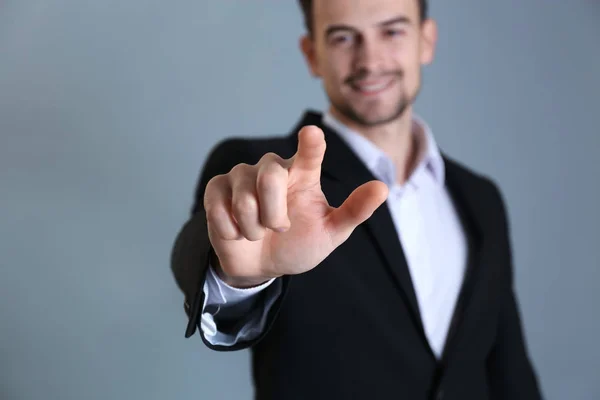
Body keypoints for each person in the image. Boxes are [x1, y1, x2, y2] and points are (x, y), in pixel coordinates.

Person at [170, 0, 543, 398]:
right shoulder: (269, 175)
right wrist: (241, 278)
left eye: (392, 31)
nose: (370, 60)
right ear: (312, 55)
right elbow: (204, 256)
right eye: (344, 37)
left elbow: (509, 372)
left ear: (426, 40)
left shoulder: (481, 200)